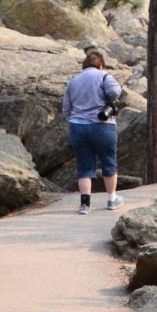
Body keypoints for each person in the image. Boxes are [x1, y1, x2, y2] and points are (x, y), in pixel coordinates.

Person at [63, 48, 125, 214]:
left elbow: (66, 108)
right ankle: (112, 199)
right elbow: (115, 92)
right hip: (102, 125)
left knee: (84, 166)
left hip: (77, 127)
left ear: (84, 65)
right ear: (101, 65)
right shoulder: (104, 76)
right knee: (109, 161)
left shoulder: (73, 81)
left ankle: (85, 204)